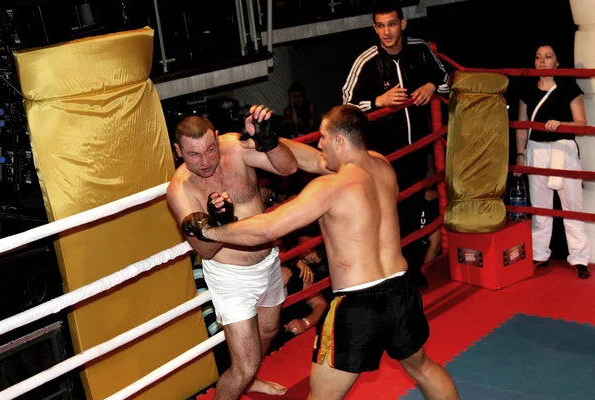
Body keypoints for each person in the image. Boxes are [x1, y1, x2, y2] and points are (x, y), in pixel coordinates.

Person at [193, 105, 459, 400]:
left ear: (340, 142)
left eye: (322, 138)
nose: (318, 144)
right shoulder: (382, 166)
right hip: (401, 289)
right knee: (423, 368)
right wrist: (270, 142)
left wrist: (209, 231)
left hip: (358, 305)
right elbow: (315, 160)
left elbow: (268, 228)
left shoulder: (330, 188)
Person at [166, 104, 298, 400]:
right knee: (244, 365)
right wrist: (218, 223)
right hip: (231, 278)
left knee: (268, 331)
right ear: (178, 150)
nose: (205, 161)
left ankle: (250, 381)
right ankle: (245, 378)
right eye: (194, 155)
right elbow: (205, 250)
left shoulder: (234, 149)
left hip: (268, 262)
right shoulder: (181, 190)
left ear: (216, 136)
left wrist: (269, 141)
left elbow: (288, 168)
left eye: (210, 150)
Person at [341, 1, 449, 288]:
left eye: (391, 24)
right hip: (382, 156)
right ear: (374, 28)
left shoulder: (421, 50)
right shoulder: (366, 61)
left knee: (413, 212)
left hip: (416, 151)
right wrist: (379, 102)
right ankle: (388, 277)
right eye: (380, 26)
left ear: (403, 24)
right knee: (385, 214)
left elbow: (446, 81)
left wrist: (430, 86)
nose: (386, 31)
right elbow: (346, 104)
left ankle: (410, 270)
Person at [515, 43, 591, 279]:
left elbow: (582, 124)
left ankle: (579, 258)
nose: (542, 61)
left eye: (548, 57)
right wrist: (520, 155)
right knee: (540, 206)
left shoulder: (568, 86)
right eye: (538, 57)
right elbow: (521, 127)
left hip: (564, 149)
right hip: (536, 149)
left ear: (557, 61)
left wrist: (561, 124)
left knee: (572, 206)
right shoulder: (527, 89)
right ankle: (539, 254)